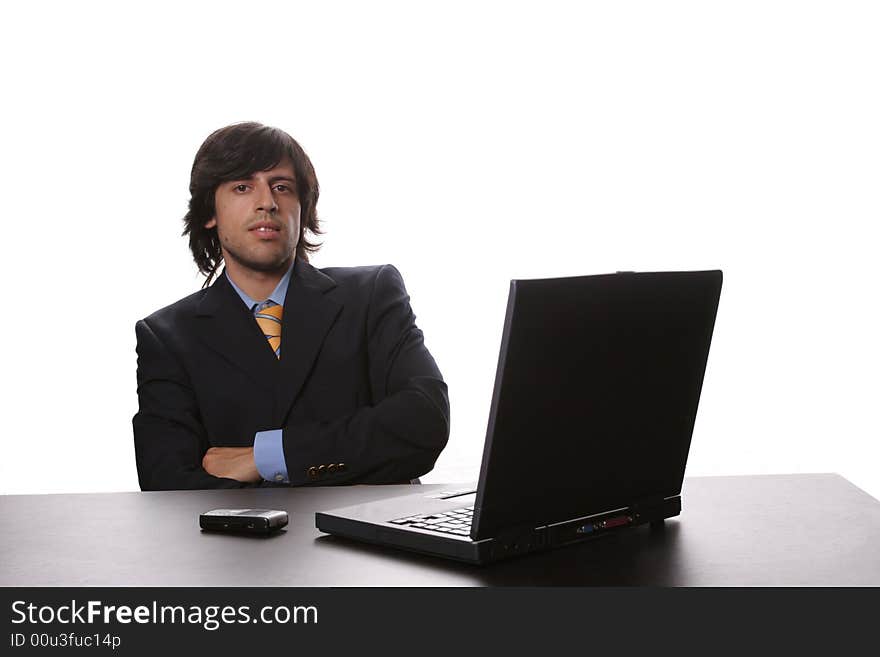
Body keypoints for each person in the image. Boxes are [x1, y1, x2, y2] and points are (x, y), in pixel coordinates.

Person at [133, 122, 449, 490]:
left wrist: (266, 457)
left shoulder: (371, 295)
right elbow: (167, 482)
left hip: (371, 541)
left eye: (282, 187)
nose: (267, 201)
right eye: (242, 186)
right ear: (209, 212)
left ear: (303, 208)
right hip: (241, 545)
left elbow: (424, 422)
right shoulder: (167, 336)